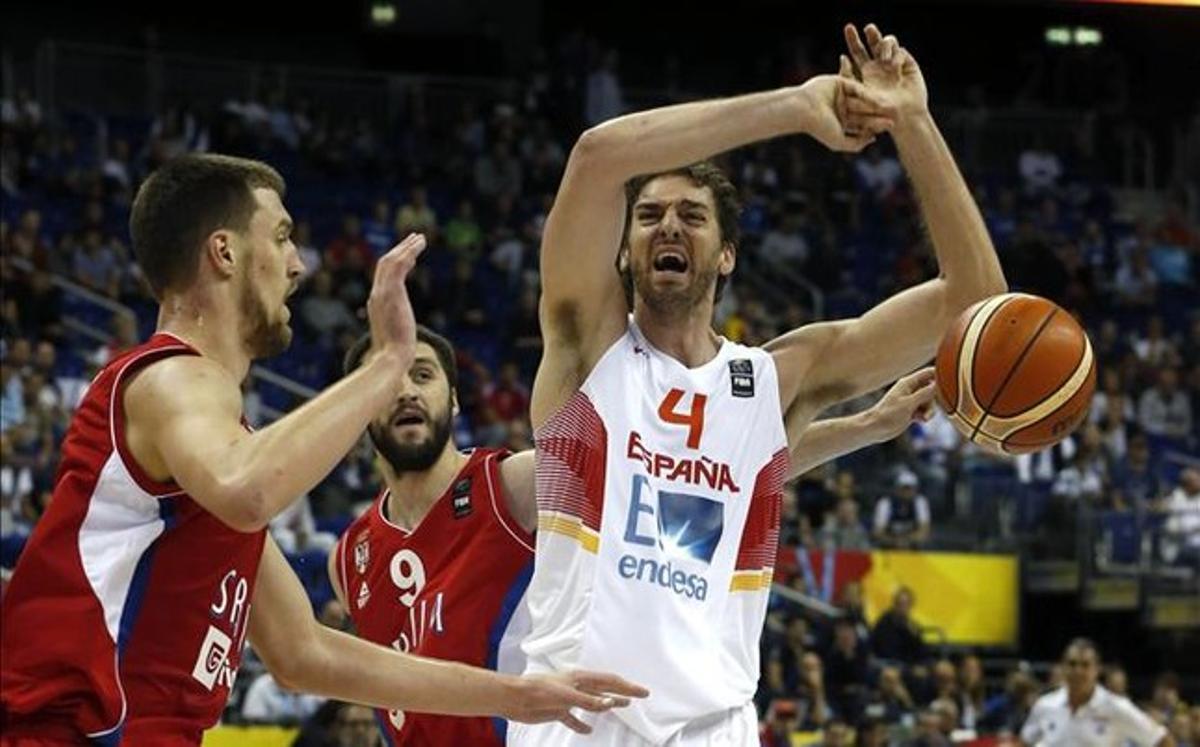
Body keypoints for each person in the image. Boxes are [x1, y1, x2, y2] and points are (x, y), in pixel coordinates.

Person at [0, 154, 642, 745]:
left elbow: (304, 653)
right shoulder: (170, 377)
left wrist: (517, 696)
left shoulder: (211, 458)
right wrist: (388, 361)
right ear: (224, 252)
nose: (298, 264)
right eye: (281, 237)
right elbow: (247, 489)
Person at [513, 21, 1006, 745]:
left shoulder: (773, 381)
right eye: (648, 216)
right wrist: (794, 108)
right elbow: (595, 157)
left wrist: (912, 121)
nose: (667, 226)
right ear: (623, 252)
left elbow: (976, 301)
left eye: (692, 216)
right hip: (576, 719)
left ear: (728, 256)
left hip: (713, 727)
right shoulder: (587, 349)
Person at [332, 328, 936, 745]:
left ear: (454, 399)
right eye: (384, 380)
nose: (406, 390)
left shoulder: (507, 485)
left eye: (423, 374)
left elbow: (715, 470)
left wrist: (865, 425)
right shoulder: (348, 557)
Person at [1020, 638, 1174, 747]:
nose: (1078, 671)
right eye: (1072, 664)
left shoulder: (1116, 707)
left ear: (1097, 670)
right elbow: (1025, 741)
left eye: (1085, 665)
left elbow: (1162, 740)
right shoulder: (1045, 705)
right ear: (1063, 667)